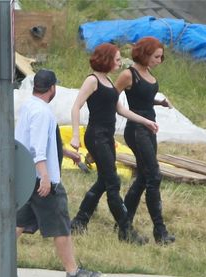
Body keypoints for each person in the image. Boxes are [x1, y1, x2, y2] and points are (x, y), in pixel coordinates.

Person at [15, 69, 101, 277]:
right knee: (61, 225)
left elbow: (33, 139)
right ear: (52, 88)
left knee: (18, 224)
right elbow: (37, 148)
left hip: (26, 178)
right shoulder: (42, 112)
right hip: (43, 181)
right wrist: (45, 178)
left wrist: (65, 152)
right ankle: (73, 272)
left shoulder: (29, 106)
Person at [70, 43, 158, 244]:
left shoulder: (108, 80)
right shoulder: (92, 80)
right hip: (95, 136)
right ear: (107, 60)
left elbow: (121, 110)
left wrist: (146, 121)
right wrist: (75, 135)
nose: (120, 63)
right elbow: (76, 107)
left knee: (104, 180)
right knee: (113, 182)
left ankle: (79, 221)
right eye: (117, 59)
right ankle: (125, 231)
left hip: (107, 136)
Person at [114, 37, 175, 244]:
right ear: (145, 54)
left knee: (143, 177)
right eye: (157, 56)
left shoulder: (148, 73)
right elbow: (111, 98)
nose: (160, 60)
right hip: (137, 129)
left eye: (161, 56)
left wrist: (160, 102)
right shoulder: (128, 75)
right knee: (153, 176)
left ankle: (123, 222)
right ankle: (160, 231)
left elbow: (144, 98)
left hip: (150, 127)